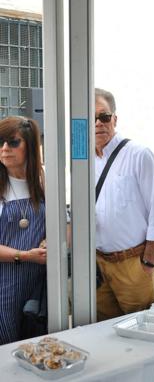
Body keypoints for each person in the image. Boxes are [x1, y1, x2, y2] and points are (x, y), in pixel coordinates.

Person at [94, 88, 154, 320]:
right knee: (103, 332)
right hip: (98, 266)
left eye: (104, 117)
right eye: (92, 117)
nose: (99, 123)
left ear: (115, 119)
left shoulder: (139, 155)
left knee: (141, 330)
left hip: (132, 265)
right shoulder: (82, 160)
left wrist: (147, 262)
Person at [0, 117, 47, 344]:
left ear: (29, 145)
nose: (4, 148)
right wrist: (25, 256)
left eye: (13, 142)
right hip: (4, 287)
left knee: (35, 343)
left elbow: (64, 221)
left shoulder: (42, 179)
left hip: (37, 283)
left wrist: (50, 240)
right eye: (0, 142)